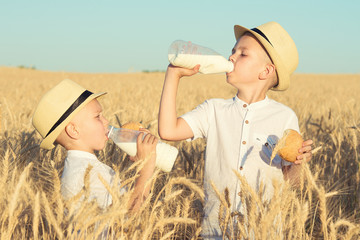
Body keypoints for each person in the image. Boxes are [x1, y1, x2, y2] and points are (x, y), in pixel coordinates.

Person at [158, 21, 313, 239]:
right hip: (216, 231)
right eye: (233, 51)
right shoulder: (213, 110)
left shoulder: (284, 117)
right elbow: (168, 130)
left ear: (266, 71)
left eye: (243, 54)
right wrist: (173, 75)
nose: (231, 57)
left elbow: (293, 182)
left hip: (263, 232)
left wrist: (298, 162)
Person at [32, 79, 157, 214]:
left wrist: (136, 160)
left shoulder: (79, 167)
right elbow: (125, 215)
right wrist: (145, 169)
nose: (106, 121)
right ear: (74, 130)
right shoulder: (88, 173)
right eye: (97, 117)